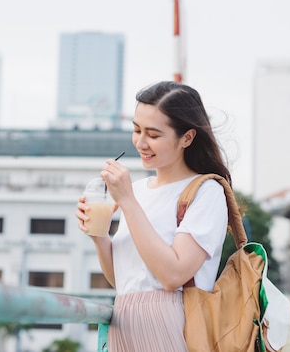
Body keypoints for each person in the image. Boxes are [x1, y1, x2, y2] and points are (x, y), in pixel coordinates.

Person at [76, 81, 231, 351]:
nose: (140, 142)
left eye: (153, 134)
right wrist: (98, 235)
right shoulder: (137, 191)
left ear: (187, 138)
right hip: (124, 320)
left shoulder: (207, 191)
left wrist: (127, 202)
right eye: (136, 130)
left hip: (172, 325)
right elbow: (122, 280)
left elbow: (172, 276)